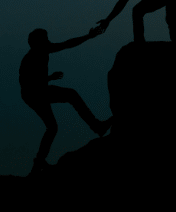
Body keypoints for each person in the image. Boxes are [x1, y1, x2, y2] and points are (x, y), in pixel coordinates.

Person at [20, 26, 111, 174]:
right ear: (38, 42)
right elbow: (25, 82)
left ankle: (38, 164)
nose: (48, 41)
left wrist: (87, 37)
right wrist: (46, 79)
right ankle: (97, 126)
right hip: (34, 94)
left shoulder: (42, 51)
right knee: (71, 96)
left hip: (36, 93)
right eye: (45, 39)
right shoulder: (31, 58)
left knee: (52, 127)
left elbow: (67, 44)